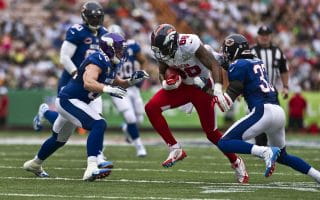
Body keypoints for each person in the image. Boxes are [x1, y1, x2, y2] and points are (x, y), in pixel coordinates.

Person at [23, 32, 149, 181]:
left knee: (59, 139)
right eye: (119, 48)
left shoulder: (111, 62)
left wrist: (132, 80)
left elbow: (118, 82)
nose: (122, 52)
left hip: (77, 101)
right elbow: (88, 82)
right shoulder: (98, 59)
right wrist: (106, 89)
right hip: (70, 99)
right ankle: (91, 167)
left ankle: (35, 163)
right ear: (109, 48)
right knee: (99, 123)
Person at [144, 24, 249, 183]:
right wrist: (166, 83)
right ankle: (175, 149)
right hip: (183, 87)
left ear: (172, 42)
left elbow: (214, 64)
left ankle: (236, 162)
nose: (159, 52)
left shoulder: (189, 43)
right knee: (151, 108)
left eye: (162, 48)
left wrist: (219, 90)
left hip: (203, 87)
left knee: (212, 133)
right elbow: (161, 72)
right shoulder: (163, 51)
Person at [217, 34, 320, 183]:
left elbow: (233, 91)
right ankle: (317, 175)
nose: (225, 54)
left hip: (262, 111)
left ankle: (264, 151)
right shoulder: (257, 61)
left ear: (235, 50)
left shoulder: (238, 65)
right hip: (277, 111)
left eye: (227, 50)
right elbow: (240, 70)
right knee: (283, 156)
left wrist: (218, 95)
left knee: (224, 142)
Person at [33, 1, 107, 131]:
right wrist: (75, 73)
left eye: (97, 17)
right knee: (65, 123)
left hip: (91, 81)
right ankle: (45, 111)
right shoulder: (77, 31)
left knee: (97, 119)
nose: (95, 21)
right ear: (84, 17)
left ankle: (97, 151)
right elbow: (64, 57)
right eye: (92, 17)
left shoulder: (104, 34)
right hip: (72, 80)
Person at [107, 24, 147, 157]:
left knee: (139, 119)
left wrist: (141, 74)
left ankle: (127, 129)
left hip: (133, 86)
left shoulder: (132, 45)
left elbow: (143, 60)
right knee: (130, 117)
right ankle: (139, 146)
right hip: (117, 88)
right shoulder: (105, 51)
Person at [251, 25, 289, 146]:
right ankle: (260, 146)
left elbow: (284, 70)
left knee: (276, 119)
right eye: (262, 35)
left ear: (270, 36)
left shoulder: (277, 51)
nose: (264, 37)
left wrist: (286, 86)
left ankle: (278, 146)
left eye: (266, 35)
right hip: (256, 91)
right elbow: (245, 70)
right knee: (258, 118)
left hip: (272, 91)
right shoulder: (251, 52)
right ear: (258, 36)